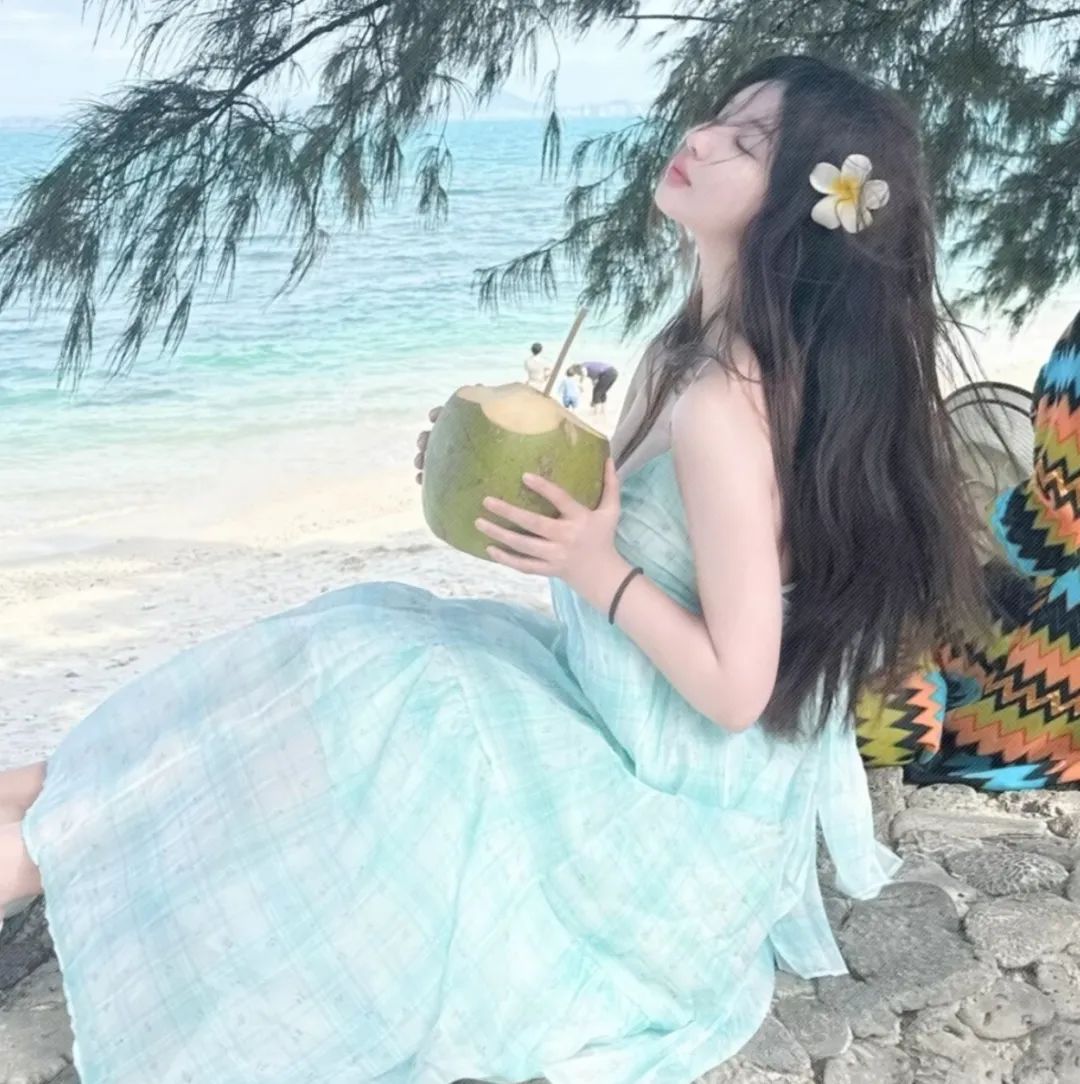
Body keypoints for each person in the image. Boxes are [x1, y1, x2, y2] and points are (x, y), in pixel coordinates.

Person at [0, 54, 999, 1084]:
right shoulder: (683, 354)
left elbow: (738, 689)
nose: (700, 138)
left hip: (670, 802)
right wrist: (484, 474)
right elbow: (627, 528)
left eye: (747, 144)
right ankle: (45, 793)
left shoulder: (723, 405)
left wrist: (592, 565)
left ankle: (40, 849)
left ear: (797, 207)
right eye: (719, 118)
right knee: (368, 627)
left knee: (386, 680)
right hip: (617, 711)